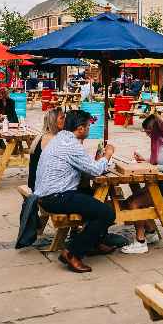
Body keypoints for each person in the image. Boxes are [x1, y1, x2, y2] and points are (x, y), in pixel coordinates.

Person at [35, 110, 116, 273]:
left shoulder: (60, 138)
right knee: (106, 213)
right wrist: (107, 155)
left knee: (94, 199)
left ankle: (93, 242)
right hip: (56, 197)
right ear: (80, 129)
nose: (88, 130)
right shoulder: (71, 145)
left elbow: (83, 166)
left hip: (45, 193)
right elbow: (95, 170)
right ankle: (72, 253)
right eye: (87, 126)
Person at [121, 115, 163, 254]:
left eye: (149, 132)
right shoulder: (158, 141)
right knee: (131, 200)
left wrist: (150, 166)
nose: (148, 135)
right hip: (159, 182)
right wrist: (145, 160)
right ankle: (150, 232)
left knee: (134, 204)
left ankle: (141, 242)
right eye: (146, 132)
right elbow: (159, 161)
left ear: (157, 130)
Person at [28, 107, 65, 190]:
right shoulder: (53, 138)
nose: (65, 120)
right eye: (62, 118)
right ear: (53, 121)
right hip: (44, 188)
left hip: (35, 184)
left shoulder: (41, 136)